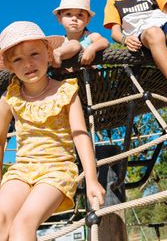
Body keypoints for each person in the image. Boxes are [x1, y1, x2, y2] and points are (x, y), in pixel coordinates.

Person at [0, 21, 105, 241]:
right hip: (22, 170)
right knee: (1, 219)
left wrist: (92, 179)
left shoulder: (65, 91)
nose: (28, 63)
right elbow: (1, 140)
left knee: (22, 225)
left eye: (34, 54)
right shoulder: (10, 98)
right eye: (18, 59)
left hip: (56, 171)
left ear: (48, 54)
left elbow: (80, 134)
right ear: (10, 66)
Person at [52, 0, 110, 67]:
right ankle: (56, 55)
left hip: (94, 76)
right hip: (71, 77)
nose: (74, 18)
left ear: (87, 20)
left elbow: (104, 42)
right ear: (59, 18)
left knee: (75, 44)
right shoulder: (60, 43)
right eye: (68, 14)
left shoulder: (91, 36)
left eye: (80, 15)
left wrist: (91, 48)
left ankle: (57, 55)